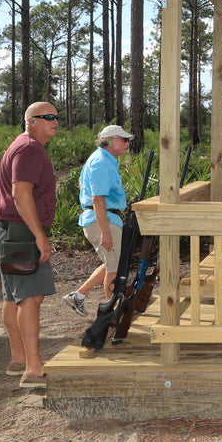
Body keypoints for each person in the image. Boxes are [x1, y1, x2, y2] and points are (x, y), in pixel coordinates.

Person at [0, 102, 60, 389]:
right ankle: (33, 369)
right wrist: (39, 236)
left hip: (8, 229)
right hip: (18, 232)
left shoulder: (26, 145)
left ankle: (18, 359)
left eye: (57, 117)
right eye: (49, 117)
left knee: (12, 296)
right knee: (30, 297)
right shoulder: (29, 148)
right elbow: (20, 194)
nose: (56, 121)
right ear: (31, 121)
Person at [62, 125, 133, 317]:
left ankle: (78, 295)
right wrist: (105, 232)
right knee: (115, 267)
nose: (128, 143)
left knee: (112, 261)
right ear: (110, 141)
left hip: (105, 218)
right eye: (124, 139)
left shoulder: (104, 160)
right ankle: (112, 314)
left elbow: (84, 185)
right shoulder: (101, 162)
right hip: (102, 220)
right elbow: (97, 199)